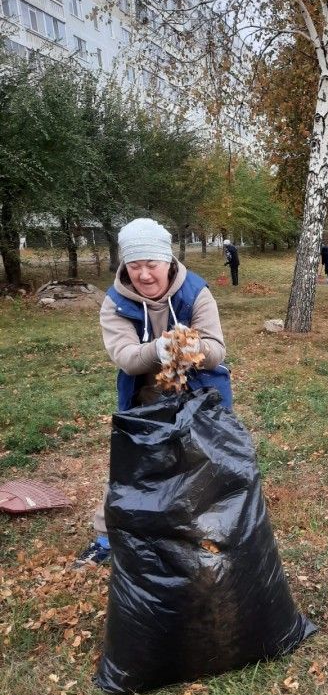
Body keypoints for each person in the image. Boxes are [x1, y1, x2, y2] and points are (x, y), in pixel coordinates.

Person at [75, 217, 231, 566]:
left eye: (151, 264)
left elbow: (217, 350)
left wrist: (189, 348)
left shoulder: (196, 291)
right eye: (134, 265)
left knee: (203, 463)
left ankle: (206, 533)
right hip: (144, 396)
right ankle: (106, 537)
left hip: (200, 393)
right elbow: (128, 358)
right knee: (130, 465)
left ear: (168, 261)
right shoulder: (115, 302)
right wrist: (159, 350)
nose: (143, 274)